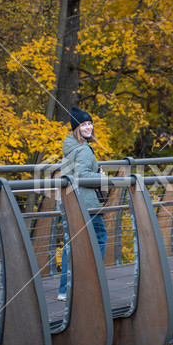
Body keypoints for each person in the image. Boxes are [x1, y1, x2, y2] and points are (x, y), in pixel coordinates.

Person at [57, 106, 107, 301]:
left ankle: (64, 290)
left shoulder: (70, 148)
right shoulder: (84, 150)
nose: (89, 127)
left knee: (72, 244)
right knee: (100, 238)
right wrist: (101, 177)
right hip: (87, 203)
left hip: (71, 202)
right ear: (76, 128)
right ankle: (95, 285)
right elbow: (82, 176)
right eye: (84, 124)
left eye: (90, 123)